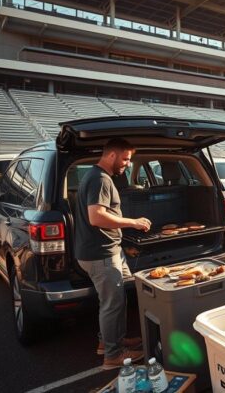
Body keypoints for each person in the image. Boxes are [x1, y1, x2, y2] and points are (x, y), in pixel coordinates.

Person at [75, 138, 151, 369]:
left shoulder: (96, 176)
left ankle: (110, 341)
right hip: (101, 255)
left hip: (108, 251)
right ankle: (112, 355)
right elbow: (96, 216)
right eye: (126, 159)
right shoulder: (100, 179)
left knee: (116, 300)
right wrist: (133, 223)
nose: (128, 164)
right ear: (111, 156)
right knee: (111, 304)